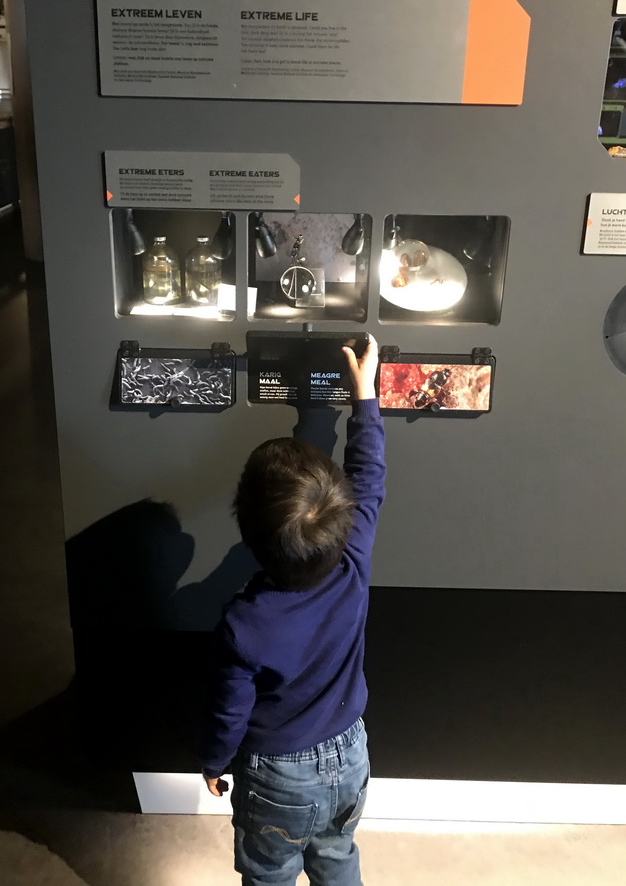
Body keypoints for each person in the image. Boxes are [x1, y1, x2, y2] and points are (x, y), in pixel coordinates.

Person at [200, 336, 386, 886]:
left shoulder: (243, 623)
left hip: (278, 774)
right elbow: (369, 478)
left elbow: (228, 712)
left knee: (269, 872)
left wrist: (214, 763)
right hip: (352, 752)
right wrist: (364, 397)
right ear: (344, 518)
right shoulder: (354, 560)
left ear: (249, 536)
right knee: (337, 855)